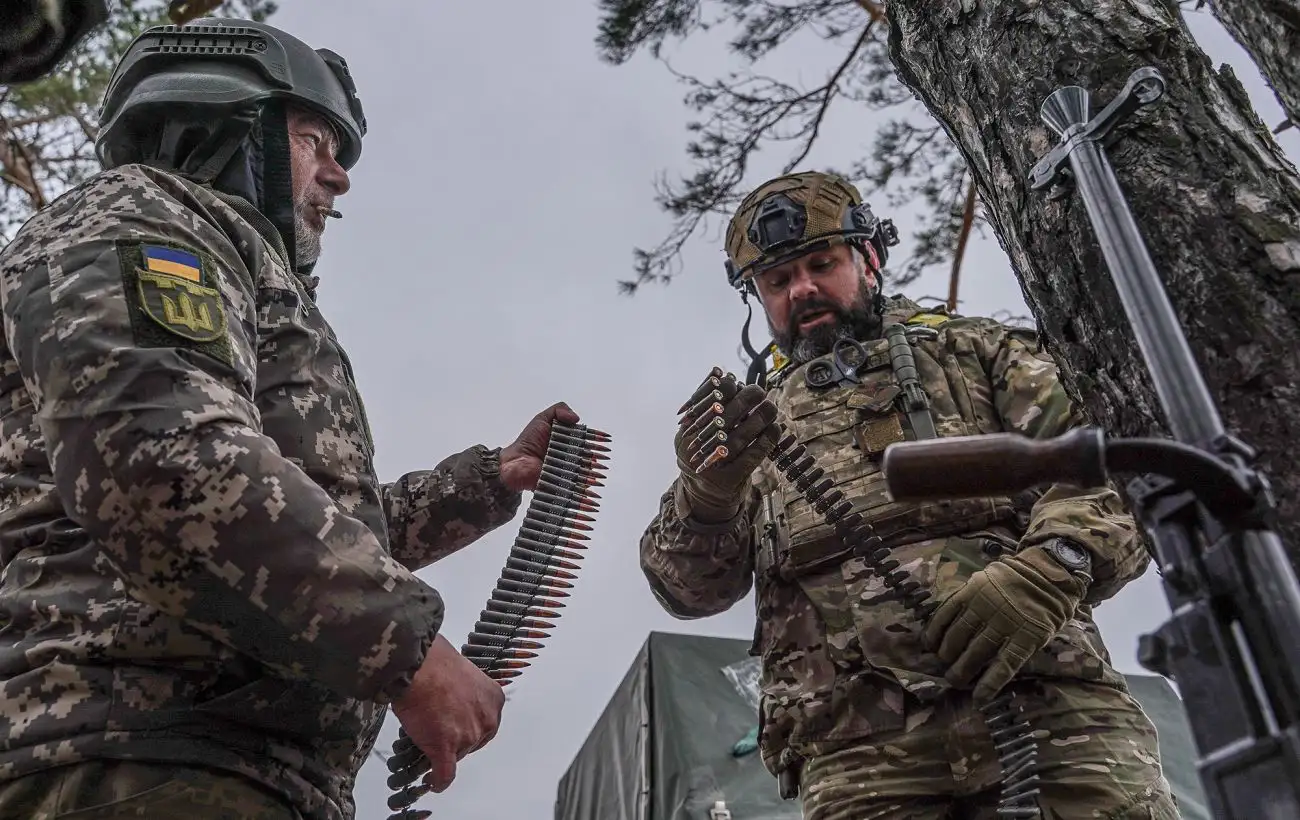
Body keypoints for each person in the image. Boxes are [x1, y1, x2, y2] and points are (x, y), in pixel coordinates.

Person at [0, 17, 580, 820]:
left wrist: (485, 481)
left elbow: (259, 505)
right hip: (140, 752)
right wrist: (405, 647)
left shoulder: (217, 255)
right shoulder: (146, 216)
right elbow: (163, 461)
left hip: (202, 759)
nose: (338, 178)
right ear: (226, 121)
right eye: (317, 141)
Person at [639, 171, 1179, 819]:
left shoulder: (979, 353)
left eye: (821, 264)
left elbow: (1114, 470)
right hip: (858, 759)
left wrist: (1050, 569)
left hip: (1054, 715)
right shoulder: (749, 427)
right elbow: (686, 589)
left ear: (868, 258)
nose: (803, 289)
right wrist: (708, 495)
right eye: (778, 281)